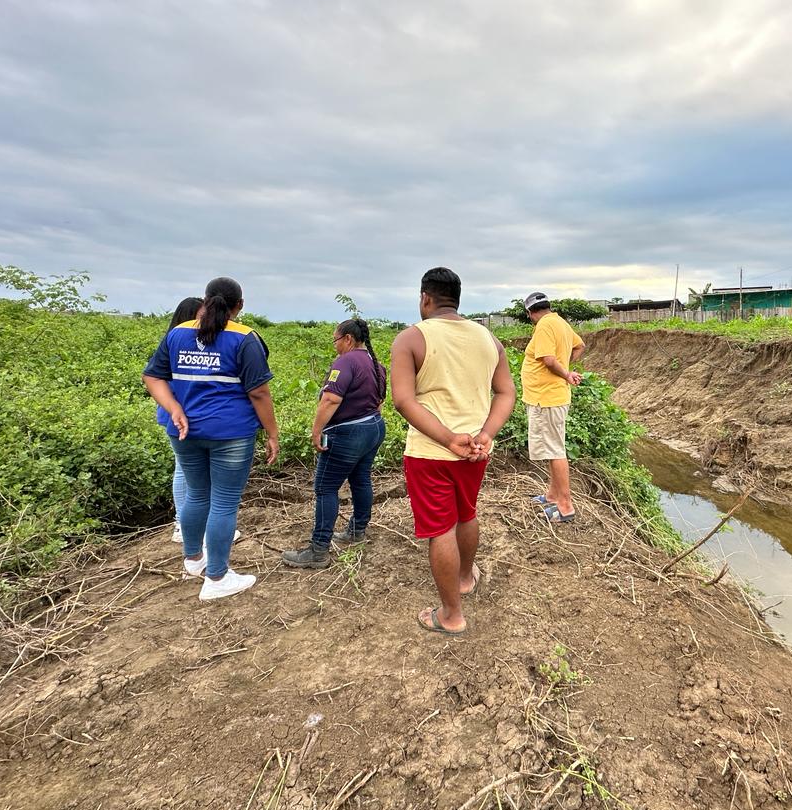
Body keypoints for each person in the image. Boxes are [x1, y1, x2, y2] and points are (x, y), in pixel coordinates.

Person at [391, 267, 516, 635]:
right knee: (466, 514)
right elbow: (506, 392)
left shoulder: (411, 338)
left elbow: (403, 400)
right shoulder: (489, 339)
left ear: (425, 298)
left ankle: (451, 616)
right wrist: (486, 434)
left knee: (440, 529)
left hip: (430, 453)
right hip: (475, 451)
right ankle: (464, 578)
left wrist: (447, 439)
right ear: (457, 300)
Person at [142, 277, 280, 601]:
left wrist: (174, 408)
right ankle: (217, 577)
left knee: (197, 494)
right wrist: (272, 433)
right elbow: (259, 392)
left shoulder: (178, 333)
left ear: (205, 300)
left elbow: (152, 376)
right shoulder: (245, 338)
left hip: (185, 431)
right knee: (224, 502)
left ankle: (193, 560)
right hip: (230, 433)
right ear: (239, 305)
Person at [282, 318, 388, 569]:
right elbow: (380, 402)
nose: (335, 346)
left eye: (335, 340)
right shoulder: (376, 364)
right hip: (373, 428)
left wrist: (316, 431)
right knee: (361, 479)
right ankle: (357, 530)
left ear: (348, 339)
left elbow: (330, 399)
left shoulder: (345, 362)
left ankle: (318, 550)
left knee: (325, 487)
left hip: (348, 433)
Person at [521, 293, 585, 522]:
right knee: (552, 448)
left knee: (555, 450)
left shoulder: (545, 325)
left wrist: (565, 372)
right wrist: (566, 366)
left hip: (546, 398)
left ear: (530, 313)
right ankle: (552, 495)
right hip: (549, 397)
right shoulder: (560, 322)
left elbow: (548, 360)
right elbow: (580, 346)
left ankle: (565, 506)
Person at [162, 297, 203, 544]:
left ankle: (185, 523)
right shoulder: (177, 342)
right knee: (183, 469)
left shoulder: (174, 341)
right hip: (179, 411)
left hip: (183, 410)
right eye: (200, 316)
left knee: (187, 470)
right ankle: (181, 524)